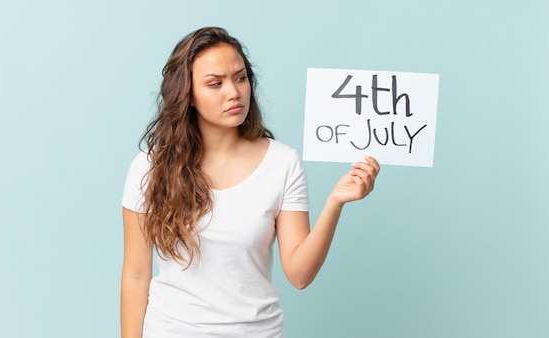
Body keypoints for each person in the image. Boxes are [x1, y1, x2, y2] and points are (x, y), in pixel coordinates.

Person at [120, 27, 380, 338]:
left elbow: (299, 274)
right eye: (215, 83)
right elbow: (136, 275)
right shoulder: (150, 166)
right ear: (187, 94)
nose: (233, 92)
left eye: (240, 78)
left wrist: (335, 202)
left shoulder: (282, 163)